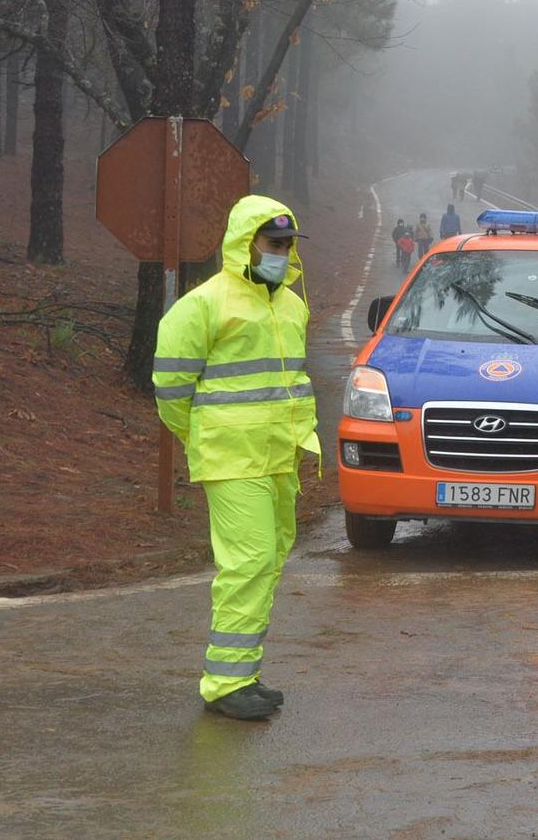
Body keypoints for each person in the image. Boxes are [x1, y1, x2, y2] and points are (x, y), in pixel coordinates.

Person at [151, 196, 318, 721]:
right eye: (274, 243)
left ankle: (242, 671)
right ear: (246, 243)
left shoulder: (290, 303)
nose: (283, 253)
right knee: (246, 562)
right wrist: (206, 437)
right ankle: (225, 683)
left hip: (279, 456)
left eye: (288, 244)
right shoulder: (204, 304)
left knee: (267, 560)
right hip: (230, 459)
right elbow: (170, 388)